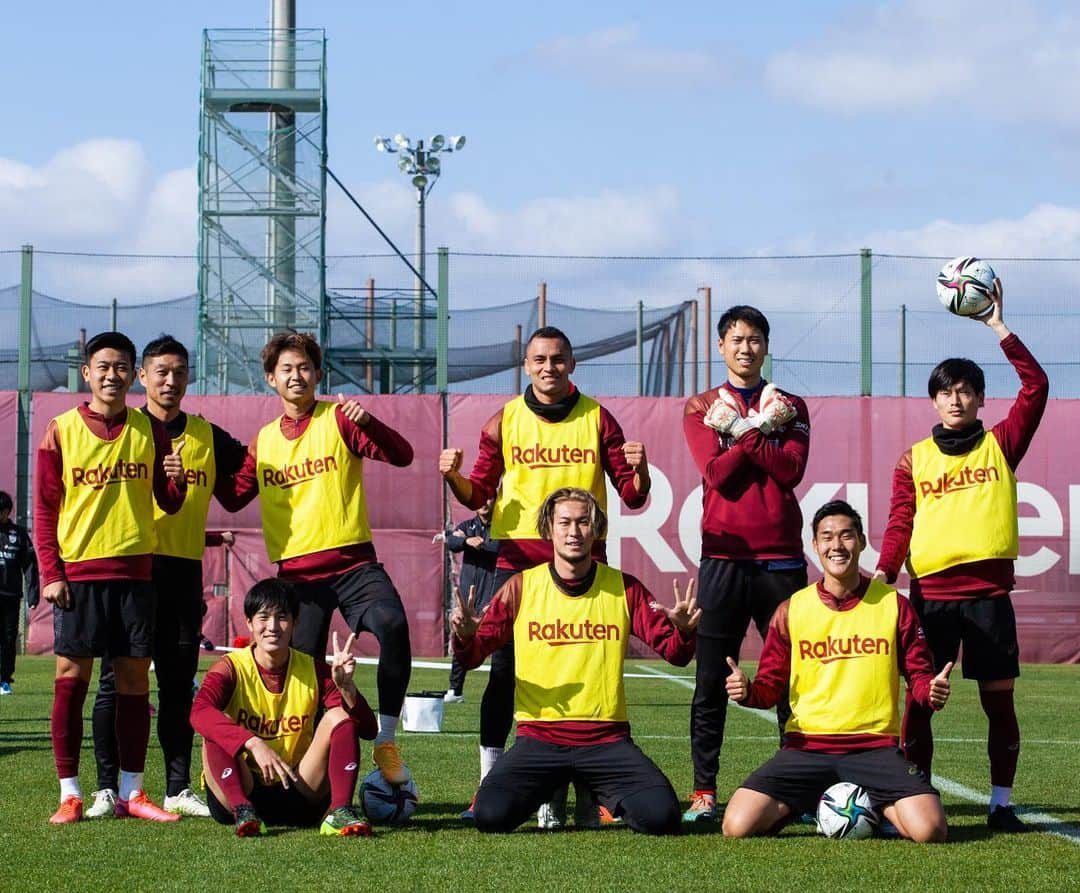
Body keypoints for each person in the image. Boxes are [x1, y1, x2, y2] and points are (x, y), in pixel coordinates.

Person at [439, 325, 651, 823]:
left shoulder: (598, 418)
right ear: (526, 366)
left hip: (582, 561)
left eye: (557, 359)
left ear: (572, 364)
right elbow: (477, 494)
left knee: (586, 665)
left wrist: (640, 470)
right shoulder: (505, 420)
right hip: (517, 559)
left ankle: (587, 786)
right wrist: (453, 476)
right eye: (538, 360)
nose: (548, 368)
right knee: (505, 670)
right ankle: (490, 780)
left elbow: (633, 496)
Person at [876, 280, 1047, 833]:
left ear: (979, 399)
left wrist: (997, 325)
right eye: (946, 391)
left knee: (999, 704)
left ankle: (1001, 803)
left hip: (990, 599)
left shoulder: (1001, 443)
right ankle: (917, 795)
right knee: (921, 703)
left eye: (966, 390)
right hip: (931, 601)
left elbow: (1037, 386)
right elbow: (901, 521)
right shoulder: (914, 460)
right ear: (934, 400)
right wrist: (883, 572)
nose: (955, 399)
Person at [219, 331, 415, 786]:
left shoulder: (340, 420)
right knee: (301, 676)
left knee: (394, 626)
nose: (296, 375)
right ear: (271, 379)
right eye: (286, 368)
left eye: (304, 367)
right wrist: (192, 469)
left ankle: (385, 739)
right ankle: (309, 770)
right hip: (298, 582)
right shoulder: (264, 441)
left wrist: (368, 422)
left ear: (317, 374)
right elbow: (231, 498)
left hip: (354, 567)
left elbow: (403, 456)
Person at [451, 487, 699, 836]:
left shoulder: (624, 588)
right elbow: (474, 656)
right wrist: (464, 636)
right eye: (564, 522)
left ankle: (592, 788)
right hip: (538, 739)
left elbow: (676, 654)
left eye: (583, 522)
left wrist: (686, 632)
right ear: (548, 529)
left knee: (662, 818)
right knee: (490, 817)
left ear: (596, 529)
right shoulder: (522, 587)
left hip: (606, 741)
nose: (574, 532)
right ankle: (551, 787)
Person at [85, 335, 248, 820]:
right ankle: (107, 789)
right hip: (130, 569)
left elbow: (241, 488)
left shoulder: (206, 435)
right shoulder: (124, 430)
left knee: (178, 686)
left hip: (181, 572)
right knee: (115, 682)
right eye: (160, 372)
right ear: (142, 377)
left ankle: (177, 787)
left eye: (179, 372)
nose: (170, 381)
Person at [722, 500, 951, 843]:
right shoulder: (792, 609)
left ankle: (875, 801)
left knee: (931, 831)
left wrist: (928, 691)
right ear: (815, 546)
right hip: (805, 749)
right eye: (827, 537)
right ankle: (805, 798)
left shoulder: (893, 604)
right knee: (735, 827)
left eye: (846, 535)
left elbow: (918, 675)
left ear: (861, 541)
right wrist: (748, 691)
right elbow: (770, 688)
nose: (837, 545)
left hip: (874, 749)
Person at [34, 331, 188, 824]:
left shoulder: (150, 429)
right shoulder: (59, 429)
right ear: (87, 373)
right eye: (104, 366)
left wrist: (177, 480)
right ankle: (70, 792)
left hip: (136, 576)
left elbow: (168, 502)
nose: (112, 375)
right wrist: (51, 573)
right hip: (78, 576)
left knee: (133, 684)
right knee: (71, 680)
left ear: (132, 374)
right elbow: (43, 509)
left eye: (122, 367)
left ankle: (133, 792)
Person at [681, 305, 811, 821]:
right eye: (736, 338)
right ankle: (704, 791)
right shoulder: (700, 405)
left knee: (794, 678)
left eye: (755, 339)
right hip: (723, 558)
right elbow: (715, 475)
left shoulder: (792, 404)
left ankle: (800, 789)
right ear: (720, 346)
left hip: (781, 561)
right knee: (711, 679)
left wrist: (744, 429)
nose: (746, 348)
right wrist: (753, 431)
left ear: (765, 345)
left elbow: (790, 470)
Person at [191, 577, 378, 837]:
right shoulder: (230, 667)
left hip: (300, 790)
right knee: (215, 721)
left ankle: (340, 811)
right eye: (263, 618)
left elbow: (368, 730)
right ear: (249, 623)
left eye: (282, 617)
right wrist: (252, 743)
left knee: (338, 716)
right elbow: (198, 712)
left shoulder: (314, 669)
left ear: (295, 623)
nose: (272, 627)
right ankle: (243, 811)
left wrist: (347, 688)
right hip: (241, 789)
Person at [442, 497, 498, 703]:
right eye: (482, 497)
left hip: (492, 594)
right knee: (462, 637)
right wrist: (466, 540)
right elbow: (452, 542)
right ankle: (455, 691)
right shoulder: (468, 526)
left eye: (490, 497)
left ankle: (507, 688)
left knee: (500, 642)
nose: (484, 502)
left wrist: (478, 544)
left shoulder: (503, 527)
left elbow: (501, 548)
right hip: (468, 598)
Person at [0, 490, 39, 695]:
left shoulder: (19, 534)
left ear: (7, 512)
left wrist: (33, 595)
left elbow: (30, 565)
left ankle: (4, 680)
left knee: (8, 638)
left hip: (11, 597)